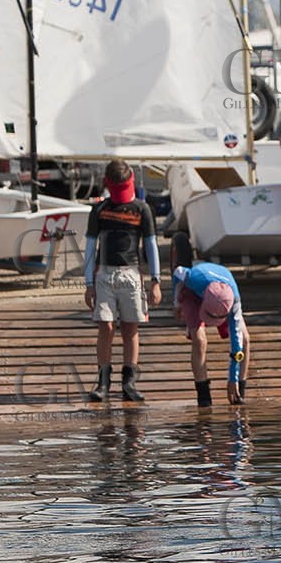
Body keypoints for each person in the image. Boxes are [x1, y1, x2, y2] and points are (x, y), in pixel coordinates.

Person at [82, 160, 161, 402]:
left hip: (132, 273)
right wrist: (88, 283)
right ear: (108, 184)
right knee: (105, 325)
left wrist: (155, 280)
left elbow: (150, 244)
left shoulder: (141, 209)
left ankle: (129, 382)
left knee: (130, 327)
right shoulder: (99, 210)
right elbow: (89, 247)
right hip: (104, 273)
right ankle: (103, 382)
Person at [173, 262, 249, 407]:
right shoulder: (193, 278)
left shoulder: (234, 302)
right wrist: (176, 303)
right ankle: (204, 396)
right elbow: (177, 272)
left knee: (244, 339)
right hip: (193, 293)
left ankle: (239, 391)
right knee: (200, 340)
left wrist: (232, 378)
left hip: (223, 296)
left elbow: (236, 344)